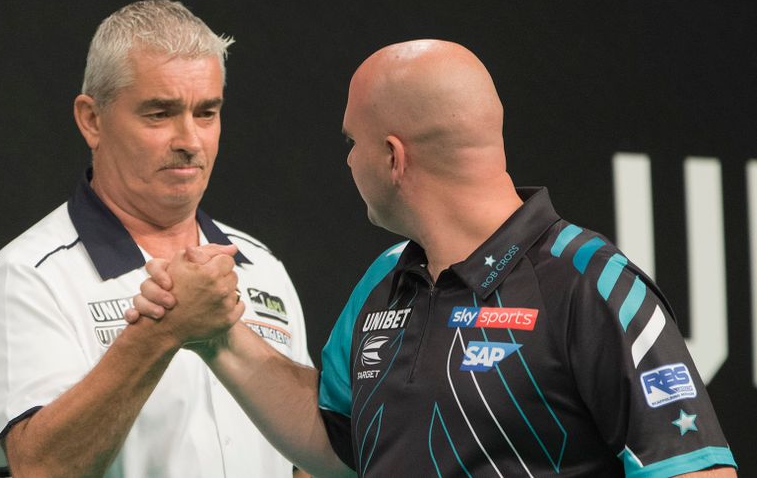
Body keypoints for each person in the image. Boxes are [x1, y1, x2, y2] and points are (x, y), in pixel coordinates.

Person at [131, 40, 738, 477]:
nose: (346, 162)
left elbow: (694, 470)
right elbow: (340, 444)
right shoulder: (384, 280)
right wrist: (217, 336)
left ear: (394, 158)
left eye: (352, 142)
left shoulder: (591, 283)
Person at [0, 0, 313, 478]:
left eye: (206, 113)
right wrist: (165, 330)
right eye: (160, 114)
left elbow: (303, 460)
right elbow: (38, 470)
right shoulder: (26, 278)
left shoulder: (261, 266)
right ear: (92, 120)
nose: (190, 139)